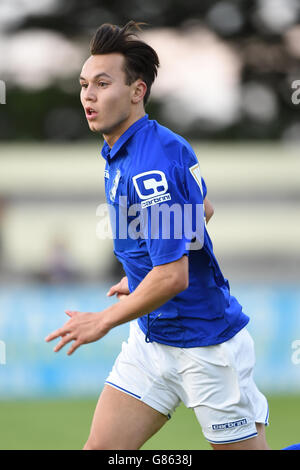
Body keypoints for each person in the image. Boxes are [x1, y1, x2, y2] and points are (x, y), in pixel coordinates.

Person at [46, 21, 280, 451]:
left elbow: (173, 277)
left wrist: (102, 320)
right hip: (151, 342)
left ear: (137, 91)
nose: (88, 96)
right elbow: (202, 210)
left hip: (205, 347)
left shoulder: (149, 165)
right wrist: (143, 276)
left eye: (102, 83)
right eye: (83, 85)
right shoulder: (134, 146)